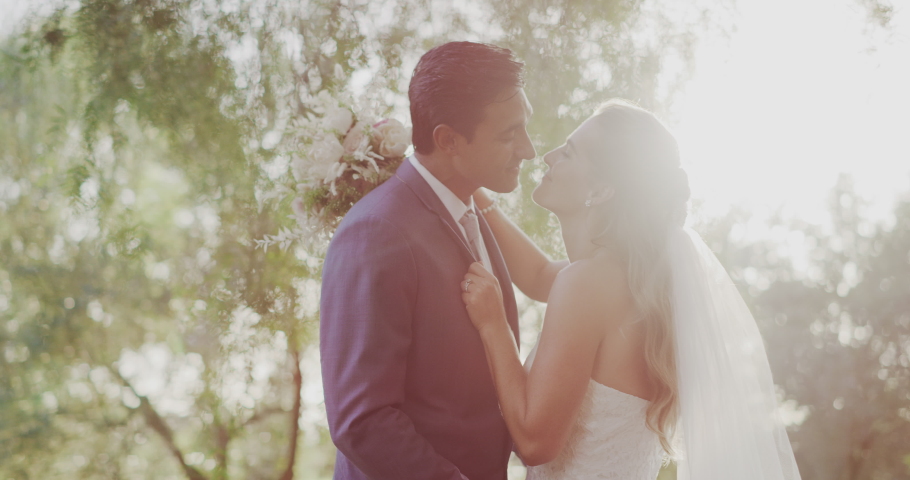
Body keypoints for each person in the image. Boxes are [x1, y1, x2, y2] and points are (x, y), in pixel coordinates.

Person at [461, 100, 802, 480]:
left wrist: (494, 327)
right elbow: (540, 274)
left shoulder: (588, 283)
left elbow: (535, 443)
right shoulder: (631, 282)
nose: (549, 156)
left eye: (569, 153)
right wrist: (471, 191)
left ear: (603, 190)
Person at [319, 41, 536, 480]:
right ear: (448, 139)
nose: (528, 150)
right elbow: (363, 421)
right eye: (509, 134)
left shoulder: (474, 215)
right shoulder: (376, 231)